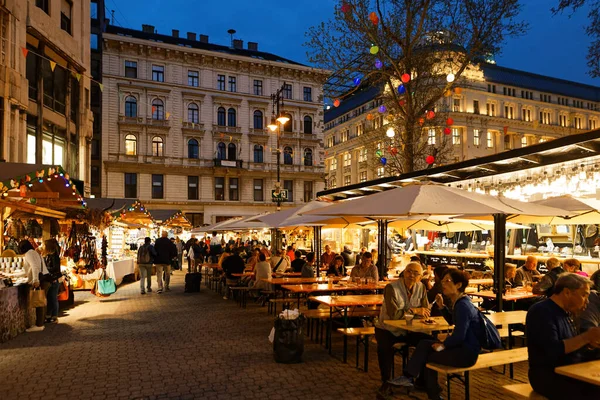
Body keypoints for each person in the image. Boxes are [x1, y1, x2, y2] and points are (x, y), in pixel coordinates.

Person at [389, 270, 487, 400]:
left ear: (458, 285)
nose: (443, 284)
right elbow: (453, 321)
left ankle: (430, 393)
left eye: (447, 281)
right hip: (463, 349)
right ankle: (409, 378)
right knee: (424, 343)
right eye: (443, 281)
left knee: (429, 356)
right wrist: (442, 307)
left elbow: (459, 336)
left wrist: (442, 346)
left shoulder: (462, 305)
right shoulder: (461, 301)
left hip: (466, 354)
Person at [526, 273, 600, 399]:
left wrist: (590, 344)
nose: (587, 301)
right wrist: (586, 337)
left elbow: (572, 345)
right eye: (583, 295)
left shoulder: (568, 313)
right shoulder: (541, 311)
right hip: (547, 377)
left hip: (571, 371)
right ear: (567, 293)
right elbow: (553, 350)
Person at [374, 261, 430, 396]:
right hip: (387, 329)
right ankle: (386, 382)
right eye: (409, 271)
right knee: (384, 349)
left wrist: (421, 313)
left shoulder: (421, 287)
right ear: (404, 272)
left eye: (416, 273)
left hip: (409, 329)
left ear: (420, 277)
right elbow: (394, 315)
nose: (411, 275)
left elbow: (425, 310)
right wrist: (415, 311)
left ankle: (418, 378)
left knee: (429, 342)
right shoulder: (391, 288)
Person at [19, 240, 49, 332]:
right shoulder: (34, 252)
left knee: (39, 301)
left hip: (41, 279)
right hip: (44, 278)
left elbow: (35, 267)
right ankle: (41, 322)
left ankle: (39, 324)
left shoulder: (29, 254)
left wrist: (35, 280)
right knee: (41, 301)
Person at [43, 239, 62, 323]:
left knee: (53, 297)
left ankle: (54, 316)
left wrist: (45, 269)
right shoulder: (48, 255)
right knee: (50, 298)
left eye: (44, 245)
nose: (43, 246)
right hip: (51, 279)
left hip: (54, 279)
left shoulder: (54, 256)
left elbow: (55, 268)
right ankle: (49, 316)